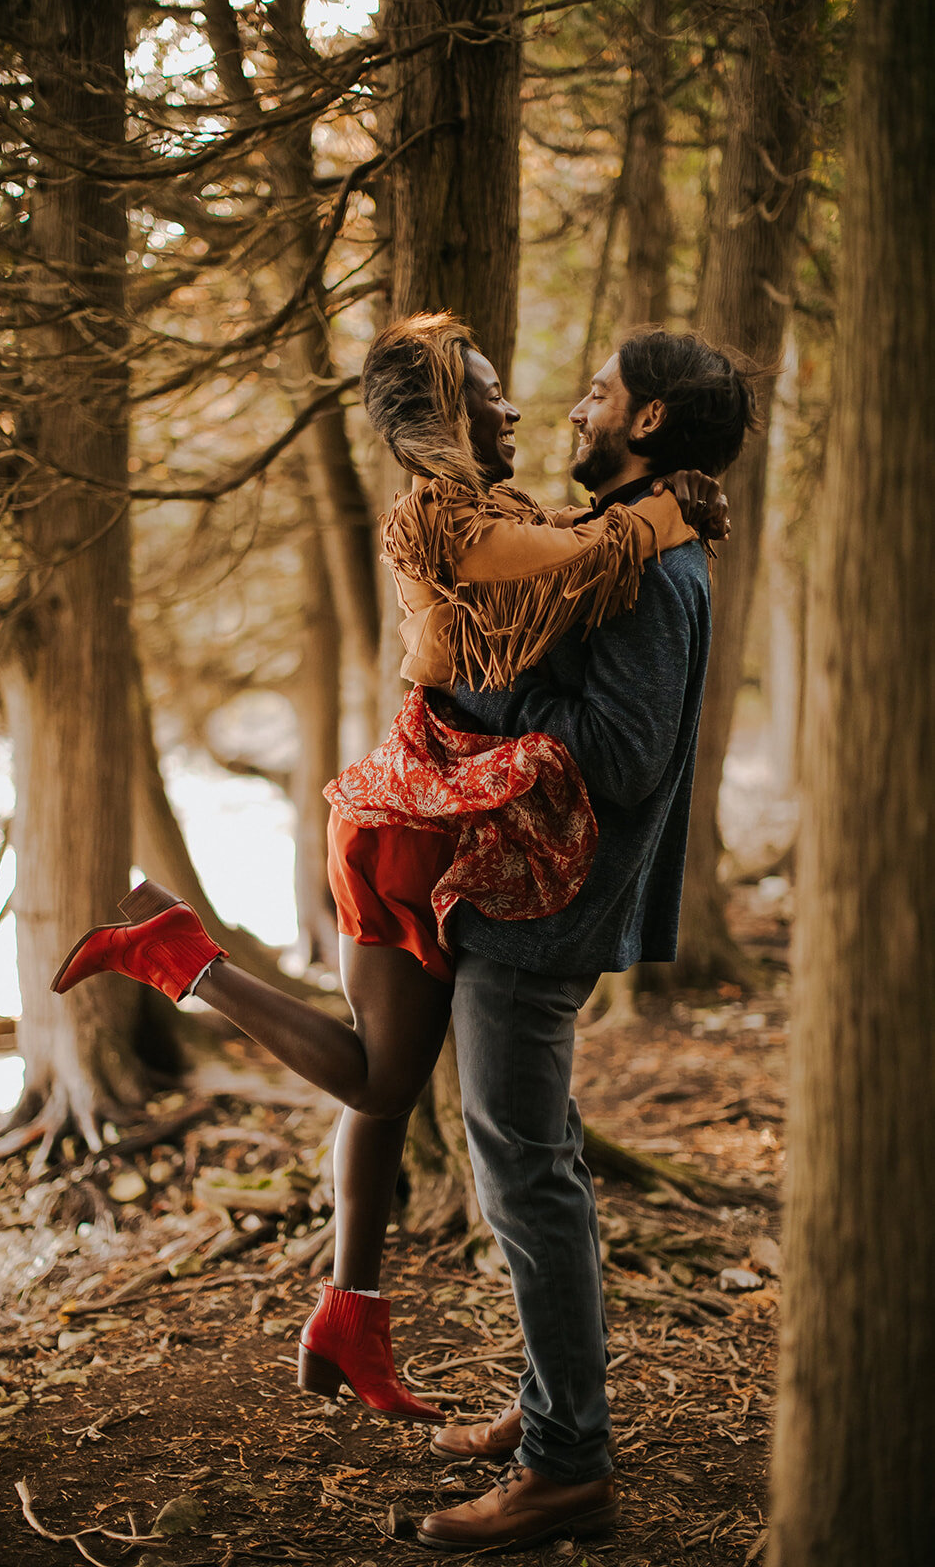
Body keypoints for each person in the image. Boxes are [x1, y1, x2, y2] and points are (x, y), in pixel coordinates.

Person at [50, 315, 727, 1438]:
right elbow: (572, 561)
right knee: (376, 1082)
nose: (521, 407)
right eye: (491, 394)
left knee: (387, 1080)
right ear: (447, 419)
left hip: (434, 816)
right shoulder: (442, 515)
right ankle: (180, 955)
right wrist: (656, 513)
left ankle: (350, 1314)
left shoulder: (499, 507)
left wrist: (654, 518)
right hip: (409, 819)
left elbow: (568, 567)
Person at [414, 329, 757, 1552]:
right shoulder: (631, 540)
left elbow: (618, 755)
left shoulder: (655, 574)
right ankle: (552, 1410)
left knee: (526, 1179)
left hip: (540, 909)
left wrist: (475, 684)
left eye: (602, 391)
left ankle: (569, 1465)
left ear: (649, 419)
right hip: (530, 897)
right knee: (532, 1164)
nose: (578, 405)